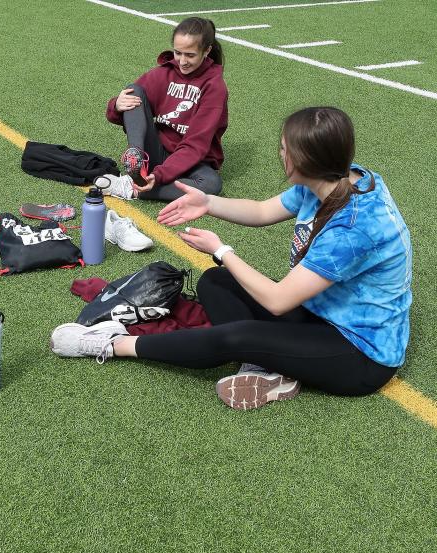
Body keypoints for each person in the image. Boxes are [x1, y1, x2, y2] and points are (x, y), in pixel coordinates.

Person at [51, 107, 412, 410]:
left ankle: (111, 344)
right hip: (321, 314)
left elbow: (277, 299)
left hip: (359, 353)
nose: (281, 153)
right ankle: (270, 368)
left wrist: (222, 250)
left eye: (285, 148)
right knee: (216, 281)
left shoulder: (353, 230)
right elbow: (260, 211)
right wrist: (207, 203)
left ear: (305, 160)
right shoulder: (340, 176)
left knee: (234, 335)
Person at [99, 17, 227, 202]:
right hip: (157, 151)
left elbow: (195, 145)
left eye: (190, 55)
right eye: (178, 53)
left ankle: (131, 187)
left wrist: (160, 175)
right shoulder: (163, 74)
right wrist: (116, 106)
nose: (182, 61)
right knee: (134, 90)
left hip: (192, 160)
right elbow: (129, 113)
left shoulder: (214, 86)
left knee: (212, 184)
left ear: (206, 50)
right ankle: (136, 159)